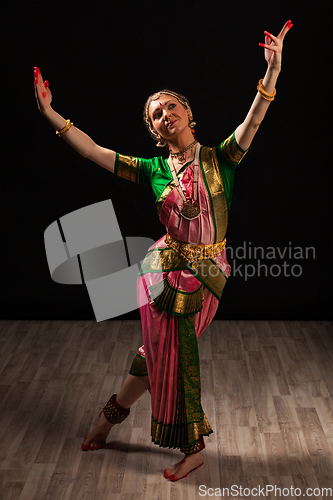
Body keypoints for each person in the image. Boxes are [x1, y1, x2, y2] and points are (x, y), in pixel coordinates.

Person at [34, 20, 293, 481]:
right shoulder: (152, 168)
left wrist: (271, 72)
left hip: (207, 271)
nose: (164, 113)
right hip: (163, 267)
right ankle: (108, 421)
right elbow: (94, 152)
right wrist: (52, 114)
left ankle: (190, 446)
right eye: (155, 113)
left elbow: (253, 119)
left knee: (176, 351)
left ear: (188, 116)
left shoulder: (220, 158)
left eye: (171, 106)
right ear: (155, 130)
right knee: (157, 351)